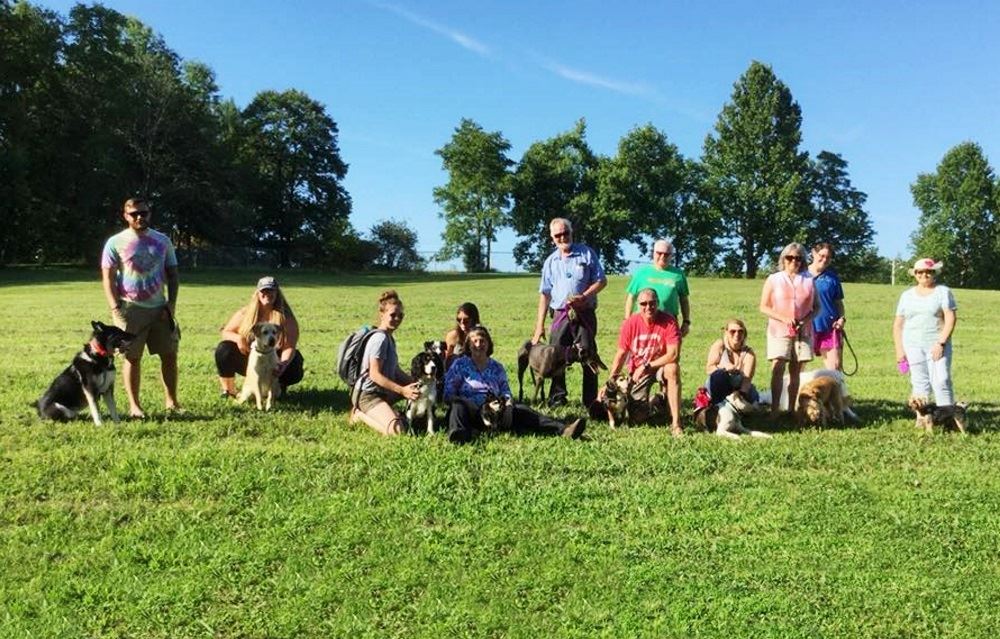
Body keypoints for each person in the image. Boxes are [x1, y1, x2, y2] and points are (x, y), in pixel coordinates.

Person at [100, 197, 180, 418]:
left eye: (143, 213)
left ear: (149, 214)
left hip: (160, 309)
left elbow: (173, 275)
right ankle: (135, 406)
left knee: (170, 355)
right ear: (125, 216)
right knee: (132, 358)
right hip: (130, 309)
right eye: (134, 214)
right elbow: (107, 278)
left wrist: (171, 305)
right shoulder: (115, 243)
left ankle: (172, 402)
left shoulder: (163, 241)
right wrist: (116, 309)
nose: (139, 217)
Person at [443, 324, 586, 443]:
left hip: (496, 411)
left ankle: (564, 430)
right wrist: (470, 404)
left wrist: (508, 406)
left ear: (488, 344)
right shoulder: (460, 365)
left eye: (482, 341)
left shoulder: (496, 367)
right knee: (457, 407)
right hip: (471, 411)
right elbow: (448, 395)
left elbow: (505, 391)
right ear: (468, 345)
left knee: (524, 410)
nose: (478, 345)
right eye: (474, 341)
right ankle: (460, 435)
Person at [531, 217, 607, 408]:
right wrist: (539, 326)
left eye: (566, 233)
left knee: (588, 355)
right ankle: (558, 396)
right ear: (552, 238)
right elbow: (545, 295)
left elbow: (601, 281)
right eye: (558, 235)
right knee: (556, 355)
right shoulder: (550, 262)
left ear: (572, 233)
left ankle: (591, 400)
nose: (563, 237)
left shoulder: (587, 254)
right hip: (560, 314)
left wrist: (585, 296)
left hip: (584, 313)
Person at [602, 288, 683, 436]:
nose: (648, 307)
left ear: (658, 303)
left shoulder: (669, 321)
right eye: (643, 304)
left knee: (672, 369)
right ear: (638, 305)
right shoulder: (630, 323)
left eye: (652, 303)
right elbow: (621, 354)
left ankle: (676, 423)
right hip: (638, 372)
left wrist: (647, 365)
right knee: (638, 418)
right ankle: (659, 401)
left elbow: (673, 354)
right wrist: (609, 382)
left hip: (660, 366)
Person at [215, 276, 304, 399]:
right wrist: (239, 339)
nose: (267, 294)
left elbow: (289, 345)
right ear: (257, 293)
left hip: (274, 359)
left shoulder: (286, 317)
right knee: (224, 349)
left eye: (271, 290)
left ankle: (277, 386)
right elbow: (226, 332)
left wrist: (283, 364)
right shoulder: (245, 313)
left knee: (295, 362)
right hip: (251, 359)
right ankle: (228, 390)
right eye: (264, 291)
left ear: (277, 293)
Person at [759, 242, 817, 419]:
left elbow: (817, 307)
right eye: (790, 257)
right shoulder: (774, 279)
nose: (794, 261)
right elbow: (763, 306)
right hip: (779, 330)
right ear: (783, 259)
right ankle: (775, 409)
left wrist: (805, 320)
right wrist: (783, 318)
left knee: (796, 371)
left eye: (798, 258)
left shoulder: (809, 280)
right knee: (777, 368)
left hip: (803, 331)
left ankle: (792, 408)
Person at [350, 290, 421, 436]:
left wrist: (417, 384)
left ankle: (386, 412)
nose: (397, 318)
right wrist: (402, 390)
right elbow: (374, 374)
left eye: (400, 315)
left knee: (414, 391)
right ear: (382, 314)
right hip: (368, 394)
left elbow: (395, 371)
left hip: (382, 392)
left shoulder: (389, 338)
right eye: (393, 315)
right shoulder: (379, 339)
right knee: (398, 432)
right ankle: (359, 415)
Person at [893, 258, 957, 408]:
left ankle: (947, 416)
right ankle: (922, 418)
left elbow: (950, 318)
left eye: (928, 271)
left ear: (934, 273)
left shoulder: (943, 292)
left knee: (941, 380)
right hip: (912, 344)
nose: (924, 275)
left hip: (936, 344)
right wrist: (899, 350)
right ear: (915, 274)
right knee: (919, 382)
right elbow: (898, 325)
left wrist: (941, 343)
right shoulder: (906, 295)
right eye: (920, 272)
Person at [624, 238, 691, 336]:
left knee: (671, 350)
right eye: (659, 253)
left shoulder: (678, 275)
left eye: (666, 254)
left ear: (671, 256)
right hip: (643, 321)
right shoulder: (641, 273)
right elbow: (631, 297)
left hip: (669, 322)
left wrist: (686, 322)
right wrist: (627, 320)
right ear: (653, 253)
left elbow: (684, 300)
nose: (662, 256)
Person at [808, 242, 846, 371]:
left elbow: (838, 303)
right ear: (813, 253)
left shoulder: (832, 278)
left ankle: (836, 391)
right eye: (821, 255)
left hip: (829, 327)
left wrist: (841, 318)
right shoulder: (801, 275)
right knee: (798, 367)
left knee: (835, 367)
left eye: (828, 257)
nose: (824, 259)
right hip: (806, 328)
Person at [704, 318, 759, 404]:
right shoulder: (719, 345)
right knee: (719, 375)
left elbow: (747, 381)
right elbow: (709, 368)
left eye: (740, 331)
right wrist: (724, 368)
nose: (737, 334)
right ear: (726, 332)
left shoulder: (749, 354)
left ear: (744, 334)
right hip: (719, 385)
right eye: (732, 331)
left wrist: (739, 396)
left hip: (739, 389)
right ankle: (717, 406)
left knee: (752, 398)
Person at [444, 302, 480, 369]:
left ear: (474, 320)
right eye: (459, 320)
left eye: (466, 320)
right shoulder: (453, 336)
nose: (462, 323)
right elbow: (446, 362)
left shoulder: (480, 336)